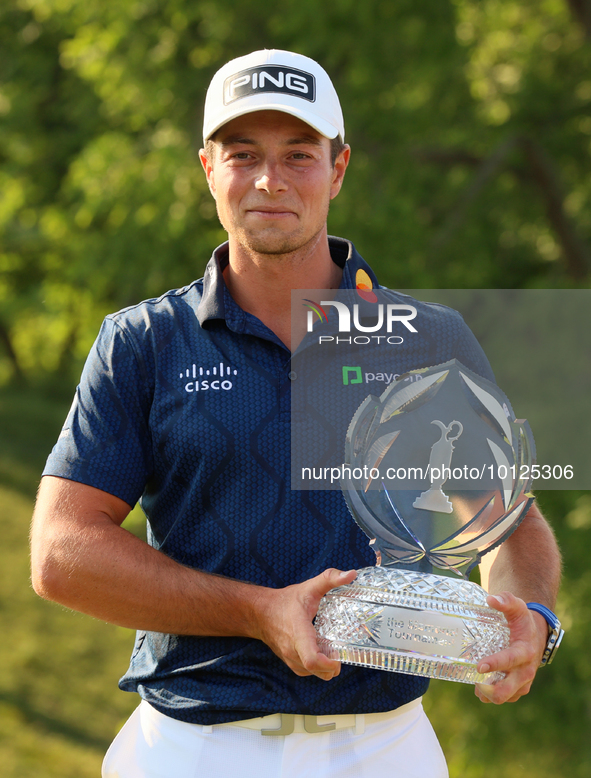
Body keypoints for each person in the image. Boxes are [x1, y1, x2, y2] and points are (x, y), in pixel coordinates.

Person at [30, 49, 562, 778]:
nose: (269, 180)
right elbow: (61, 555)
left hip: (387, 747)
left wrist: (526, 619)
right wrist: (257, 610)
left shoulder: (427, 340)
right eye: (242, 154)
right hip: (193, 748)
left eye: (299, 155)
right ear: (207, 168)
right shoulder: (143, 343)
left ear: (338, 169)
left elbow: (511, 525)